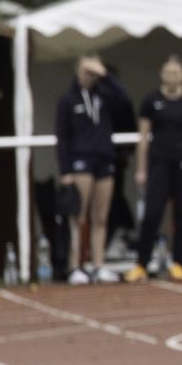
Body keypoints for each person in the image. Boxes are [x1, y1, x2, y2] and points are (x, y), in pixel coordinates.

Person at [129, 56, 182, 283]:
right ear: (161, 74)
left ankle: (178, 262)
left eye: (176, 73)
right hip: (159, 164)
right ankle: (141, 263)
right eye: (168, 72)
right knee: (152, 213)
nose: (172, 77)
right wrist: (141, 169)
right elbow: (143, 137)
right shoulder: (151, 100)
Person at [53, 55, 134, 283]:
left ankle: (98, 264)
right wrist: (65, 170)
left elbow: (124, 100)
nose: (90, 76)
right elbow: (62, 137)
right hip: (80, 161)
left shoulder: (105, 96)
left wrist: (105, 75)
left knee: (101, 217)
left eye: (93, 72)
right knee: (78, 216)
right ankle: (74, 265)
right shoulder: (68, 100)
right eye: (86, 72)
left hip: (104, 158)